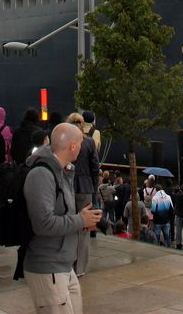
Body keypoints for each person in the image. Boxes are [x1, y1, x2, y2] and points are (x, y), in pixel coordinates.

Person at [21, 122, 102, 314]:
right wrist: (80, 220)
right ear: (73, 146)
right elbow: (43, 223)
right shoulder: (42, 174)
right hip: (47, 267)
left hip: (64, 266)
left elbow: (61, 214)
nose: (83, 147)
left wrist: (84, 221)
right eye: (81, 143)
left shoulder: (63, 172)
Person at [67, 112, 99, 274]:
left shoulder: (64, 142)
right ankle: (80, 268)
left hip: (67, 188)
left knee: (68, 226)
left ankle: (67, 264)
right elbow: (95, 169)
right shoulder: (89, 142)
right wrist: (95, 193)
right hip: (85, 189)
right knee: (84, 229)